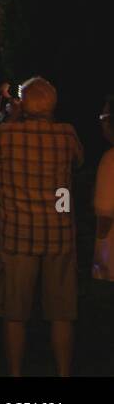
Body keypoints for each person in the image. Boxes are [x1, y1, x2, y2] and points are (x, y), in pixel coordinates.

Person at [0, 76, 83, 377]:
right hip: (59, 237)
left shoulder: (5, 134)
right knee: (62, 313)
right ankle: (63, 372)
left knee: (15, 313)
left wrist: (13, 117)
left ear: (23, 104)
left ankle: (16, 373)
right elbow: (78, 162)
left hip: (17, 237)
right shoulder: (67, 134)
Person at [92, 95, 114, 281]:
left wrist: (99, 256)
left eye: (104, 118)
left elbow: (105, 216)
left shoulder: (110, 160)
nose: (102, 124)